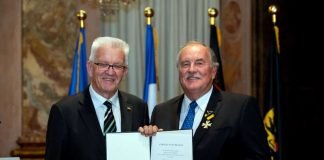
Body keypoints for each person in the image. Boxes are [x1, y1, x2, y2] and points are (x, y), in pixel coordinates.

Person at [139, 41, 270, 159]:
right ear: (179, 72)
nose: (191, 69)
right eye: (185, 64)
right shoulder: (162, 111)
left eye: (199, 63)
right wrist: (146, 141)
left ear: (213, 71)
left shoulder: (240, 108)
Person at [45, 37, 149, 160]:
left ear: (124, 72)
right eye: (103, 64)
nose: (110, 72)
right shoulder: (64, 112)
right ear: (90, 68)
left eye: (117, 66)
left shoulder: (138, 107)